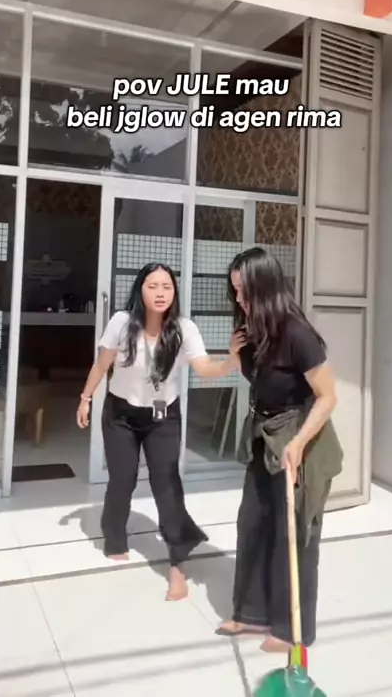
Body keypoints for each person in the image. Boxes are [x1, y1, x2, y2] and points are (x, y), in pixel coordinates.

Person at [76, 262, 244, 601]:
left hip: (163, 417)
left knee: (167, 487)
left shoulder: (184, 328)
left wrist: (231, 360)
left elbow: (203, 368)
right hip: (120, 415)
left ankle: (177, 564)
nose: (160, 293)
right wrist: (85, 398)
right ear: (140, 290)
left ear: (174, 292)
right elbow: (102, 363)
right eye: (152, 286)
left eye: (166, 286)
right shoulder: (121, 323)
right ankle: (114, 537)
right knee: (122, 479)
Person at [217, 247, 342, 652]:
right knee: (252, 522)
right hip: (264, 435)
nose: (239, 299)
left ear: (266, 287)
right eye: (235, 291)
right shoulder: (253, 330)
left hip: (298, 435)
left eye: (245, 291)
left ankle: (291, 630)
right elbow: (260, 382)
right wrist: (236, 355)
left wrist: (299, 442)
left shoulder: (296, 333)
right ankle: (251, 613)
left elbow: (327, 396)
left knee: (294, 533)